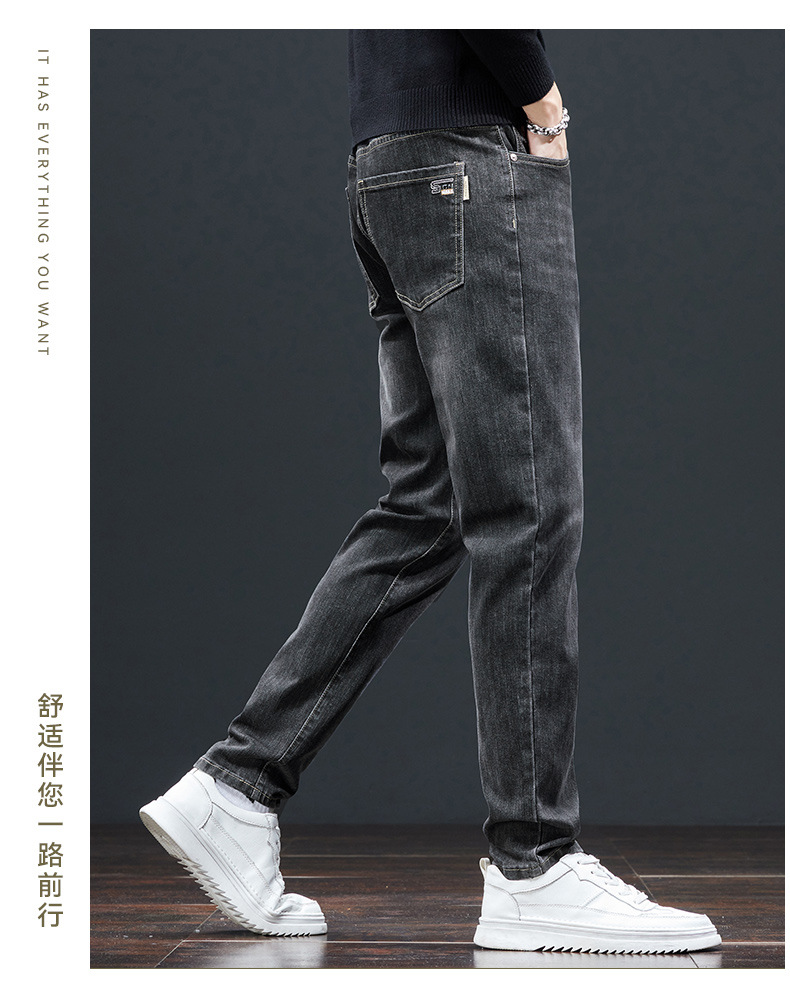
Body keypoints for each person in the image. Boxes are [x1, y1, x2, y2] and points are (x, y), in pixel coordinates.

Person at [140, 29, 721, 953]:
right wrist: (544, 107)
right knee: (528, 509)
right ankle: (535, 860)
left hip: (389, 164)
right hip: (471, 159)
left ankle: (237, 787)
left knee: (429, 506)